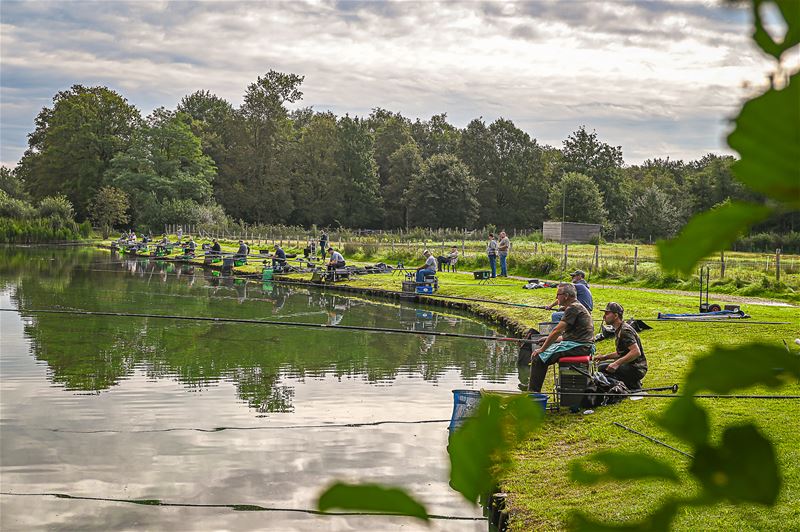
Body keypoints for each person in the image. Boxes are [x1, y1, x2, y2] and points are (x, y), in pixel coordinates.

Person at [528, 282, 595, 393]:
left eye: (558, 294)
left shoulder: (573, 308)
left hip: (580, 347)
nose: (556, 297)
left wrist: (542, 349)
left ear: (566, 296)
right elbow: (570, 336)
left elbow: (557, 330)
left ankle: (533, 395)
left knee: (538, 358)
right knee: (541, 355)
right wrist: (547, 339)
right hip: (580, 345)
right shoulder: (576, 306)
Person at [594, 302, 647, 390]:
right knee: (602, 365)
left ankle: (631, 384)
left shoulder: (625, 331)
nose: (604, 316)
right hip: (632, 365)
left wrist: (616, 363)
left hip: (637, 368)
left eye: (607, 313)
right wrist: (604, 357)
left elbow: (636, 352)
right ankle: (630, 382)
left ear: (615, 315)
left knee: (602, 368)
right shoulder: (619, 329)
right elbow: (621, 353)